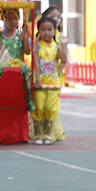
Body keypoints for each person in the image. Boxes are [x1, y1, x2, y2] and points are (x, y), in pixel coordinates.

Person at [31, 16, 68, 145]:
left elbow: (63, 60)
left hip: (53, 85)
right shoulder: (37, 46)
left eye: (49, 29)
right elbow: (36, 64)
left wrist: (56, 74)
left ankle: (48, 134)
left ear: (54, 31)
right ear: (38, 31)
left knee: (50, 109)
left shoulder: (57, 47)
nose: (46, 32)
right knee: (39, 108)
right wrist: (37, 81)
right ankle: (37, 134)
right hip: (39, 84)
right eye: (43, 29)